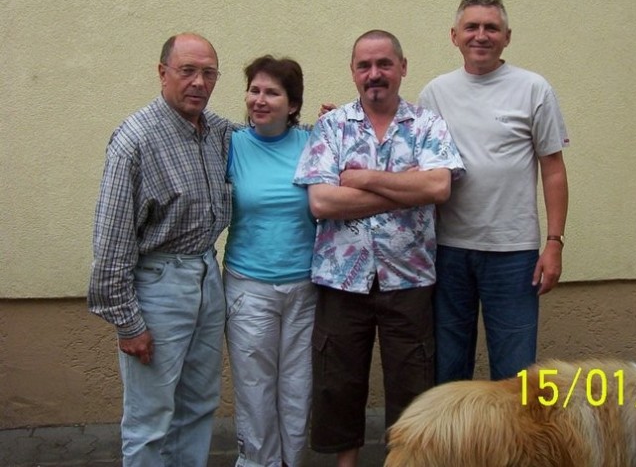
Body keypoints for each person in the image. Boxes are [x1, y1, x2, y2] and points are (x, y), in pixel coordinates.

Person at [294, 30, 464, 467]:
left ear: (402, 67)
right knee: (338, 380)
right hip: (341, 279)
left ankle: (405, 462)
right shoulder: (332, 127)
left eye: (384, 64)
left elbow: (438, 187)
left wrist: (363, 178)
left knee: (412, 382)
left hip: (409, 278)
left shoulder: (427, 125)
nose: (375, 74)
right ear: (353, 72)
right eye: (365, 66)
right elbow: (322, 202)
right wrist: (406, 188)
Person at [88, 33, 232, 467]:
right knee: (149, 420)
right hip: (157, 287)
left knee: (199, 405)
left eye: (209, 73)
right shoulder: (134, 140)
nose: (199, 82)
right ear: (162, 72)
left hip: (207, 277)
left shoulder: (217, 131)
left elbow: (270, 135)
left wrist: (326, 127)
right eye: (187, 71)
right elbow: (111, 244)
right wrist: (128, 324)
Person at [418, 0, 569, 383]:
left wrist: (554, 243)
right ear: (454, 35)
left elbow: (553, 169)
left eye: (491, 27)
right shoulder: (435, 93)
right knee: (449, 369)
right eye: (471, 27)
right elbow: (412, 162)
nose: (481, 35)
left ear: (507, 36)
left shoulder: (534, 89)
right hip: (448, 250)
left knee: (514, 372)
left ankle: (511, 430)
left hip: (513, 253)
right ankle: (456, 429)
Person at [223, 55, 316, 467]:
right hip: (249, 288)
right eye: (254, 90)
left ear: (292, 104)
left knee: (298, 388)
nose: (259, 100)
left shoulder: (313, 143)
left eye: (272, 93)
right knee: (255, 389)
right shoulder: (231, 145)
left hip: (306, 288)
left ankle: (292, 462)